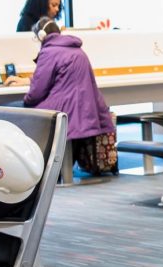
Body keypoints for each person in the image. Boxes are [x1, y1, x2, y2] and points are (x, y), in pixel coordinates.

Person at [6, 17, 116, 173]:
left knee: (9, 109)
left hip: (63, 108)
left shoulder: (48, 51)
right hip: (85, 109)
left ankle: (20, 167)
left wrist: (27, 100)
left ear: (41, 36)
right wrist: (29, 81)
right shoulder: (77, 49)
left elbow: (37, 92)